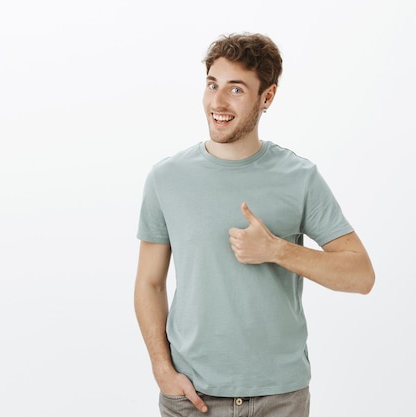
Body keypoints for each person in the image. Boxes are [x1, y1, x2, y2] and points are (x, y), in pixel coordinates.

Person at [133, 32, 375, 417]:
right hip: (192, 396)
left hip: (281, 396)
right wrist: (162, 370)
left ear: (268, 97)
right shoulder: (166, 178)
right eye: (212, 84)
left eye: (236, 89)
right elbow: (150, 282)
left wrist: (277, 250)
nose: (218, 102)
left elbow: (361, 275)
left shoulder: (299, 177)